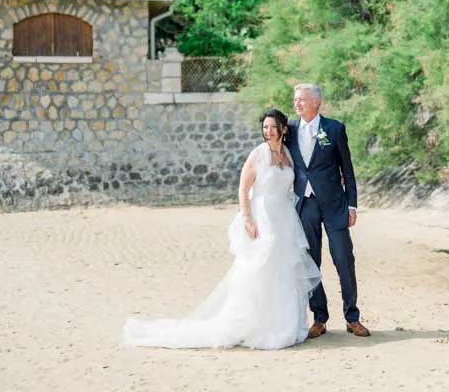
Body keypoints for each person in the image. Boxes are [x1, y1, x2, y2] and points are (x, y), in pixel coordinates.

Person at [124, 108, 320, 350]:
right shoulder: (258, 154)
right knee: (259, 270)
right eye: (265, 127)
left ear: (283, 129)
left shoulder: (288, 154)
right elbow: (242, 188)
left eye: (272, 127)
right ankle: (256, 326)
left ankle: (285, 325)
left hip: (285, 218)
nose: (268, 131)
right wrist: (248, 218)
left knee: (284, 270)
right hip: (263, 216)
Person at [286, 83, 370, 338]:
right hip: (306, 204)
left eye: (302, 99)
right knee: (311, 262)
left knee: (344, 258)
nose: (297, 103)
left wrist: (352, 204)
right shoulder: (288, 131)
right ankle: (319, 318)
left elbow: (348, 170)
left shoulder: (334, 128)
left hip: (335, 204)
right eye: (295, 99)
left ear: (316, 102)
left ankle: (352, 317)